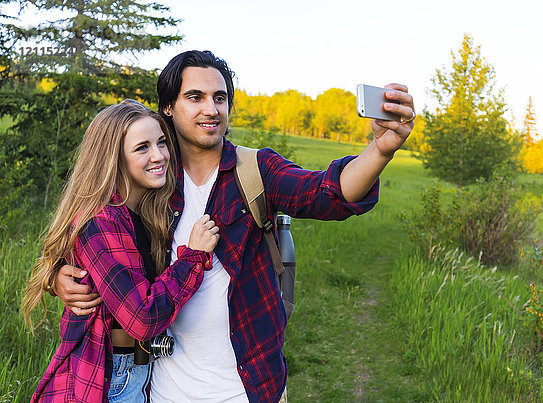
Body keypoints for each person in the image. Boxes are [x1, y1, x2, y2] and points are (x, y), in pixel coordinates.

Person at [53, 50, 416, 402]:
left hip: (246, 388)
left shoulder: (254, 171)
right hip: (163, 389)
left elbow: (327, 192)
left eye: (220, 97)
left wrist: (380, 151)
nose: (211, 109)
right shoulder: (152, 176)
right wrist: (59, 277)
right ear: (168, 107)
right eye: (195, 97)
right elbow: (93, 234)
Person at [21, 100, 220, 402]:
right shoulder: (101, 220)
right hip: (110, 378)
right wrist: (192, 258)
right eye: (142, 148)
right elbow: (142, 316)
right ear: (113, 158)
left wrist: (56, 275)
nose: (159, 155)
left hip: (144, 372)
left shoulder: (150, 209)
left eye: (162, 143)